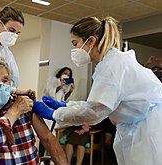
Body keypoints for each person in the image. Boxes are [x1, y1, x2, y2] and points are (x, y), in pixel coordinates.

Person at [33, 16, 162, 165]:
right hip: (137, 125)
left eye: (75, 43)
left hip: (148, 130)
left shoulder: (112, 66)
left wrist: (54, 114)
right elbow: (97, 103)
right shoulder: (110, 62)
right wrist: (66, 106)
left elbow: (94, 112)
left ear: (91, 41)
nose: (73, 49)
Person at [0, 55, 69, 165]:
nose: (2, 86)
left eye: (5, 80)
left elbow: (48, 139)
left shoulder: (22, 102)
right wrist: (14, 111)